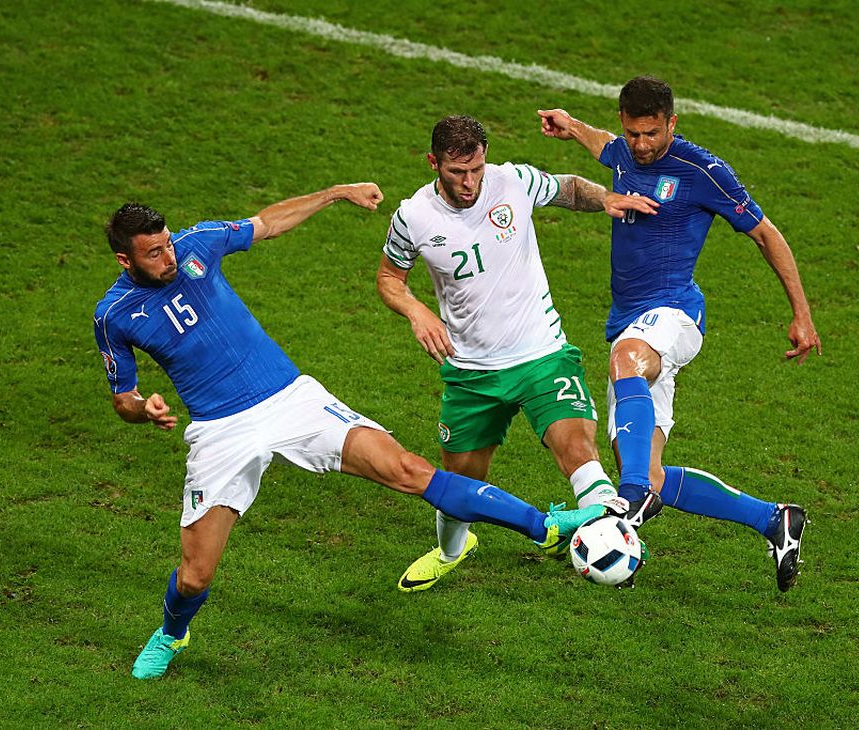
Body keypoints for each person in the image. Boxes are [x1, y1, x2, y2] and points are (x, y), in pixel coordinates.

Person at [93, 186, 605, 679]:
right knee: (195, 575)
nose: (169, 258)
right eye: (154, 254)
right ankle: (171, 633)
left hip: (293, 399)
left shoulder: (195, 243)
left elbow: (268, 223)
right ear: (125, 260)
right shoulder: (114, 316)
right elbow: (123, 398)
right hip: (221, 431)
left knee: (409, 469)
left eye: (165, 245)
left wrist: (336, 192)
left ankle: (546, 526)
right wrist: (145, 409)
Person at [538, 77, 822, 591]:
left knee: (626, 359)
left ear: (672, 122)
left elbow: (765, 232)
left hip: (674, 315)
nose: (641, 145)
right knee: (654, 475)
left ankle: (629, 494)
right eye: (633, 133)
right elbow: (608, 147)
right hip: (629, 318)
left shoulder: (702, 170)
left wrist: (801, 314)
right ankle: (774, 519)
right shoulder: (626, 151)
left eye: (651, 133)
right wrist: (572, 126)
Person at [378, 116, 657, 592]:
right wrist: (416, 312)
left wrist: (604, 198)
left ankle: (615, 538)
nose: (469, 183)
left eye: (476, 170)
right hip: (471, 371)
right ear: (434, 164)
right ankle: (452, 549)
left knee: (577, 449)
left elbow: (566, 188)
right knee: (456, 487)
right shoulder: (413, 217)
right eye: (456, 173)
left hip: (541, 355)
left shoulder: (511, 181)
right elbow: (388, 278)